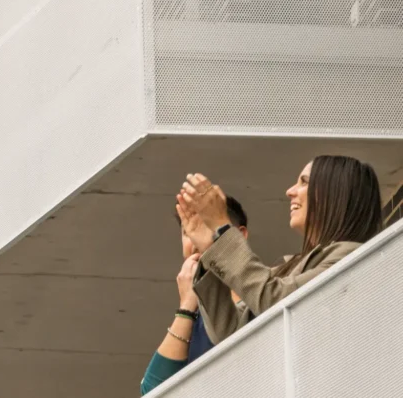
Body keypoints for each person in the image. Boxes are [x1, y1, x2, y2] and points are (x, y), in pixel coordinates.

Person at [178, 156, 382, 343]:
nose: (290, 191)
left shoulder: (353, 257)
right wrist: (210, 249)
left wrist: (223, 230)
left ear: (337, 193)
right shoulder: (290, 266)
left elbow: (276, 303)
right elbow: (230, 332)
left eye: (304, 182)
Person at [140, 197, 249, 395]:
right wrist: (186, 308)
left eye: (205, 227)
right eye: (188, 232)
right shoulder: (194, 317)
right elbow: (153, 389)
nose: (195, 241)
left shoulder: (262, 295)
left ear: (239, 236)